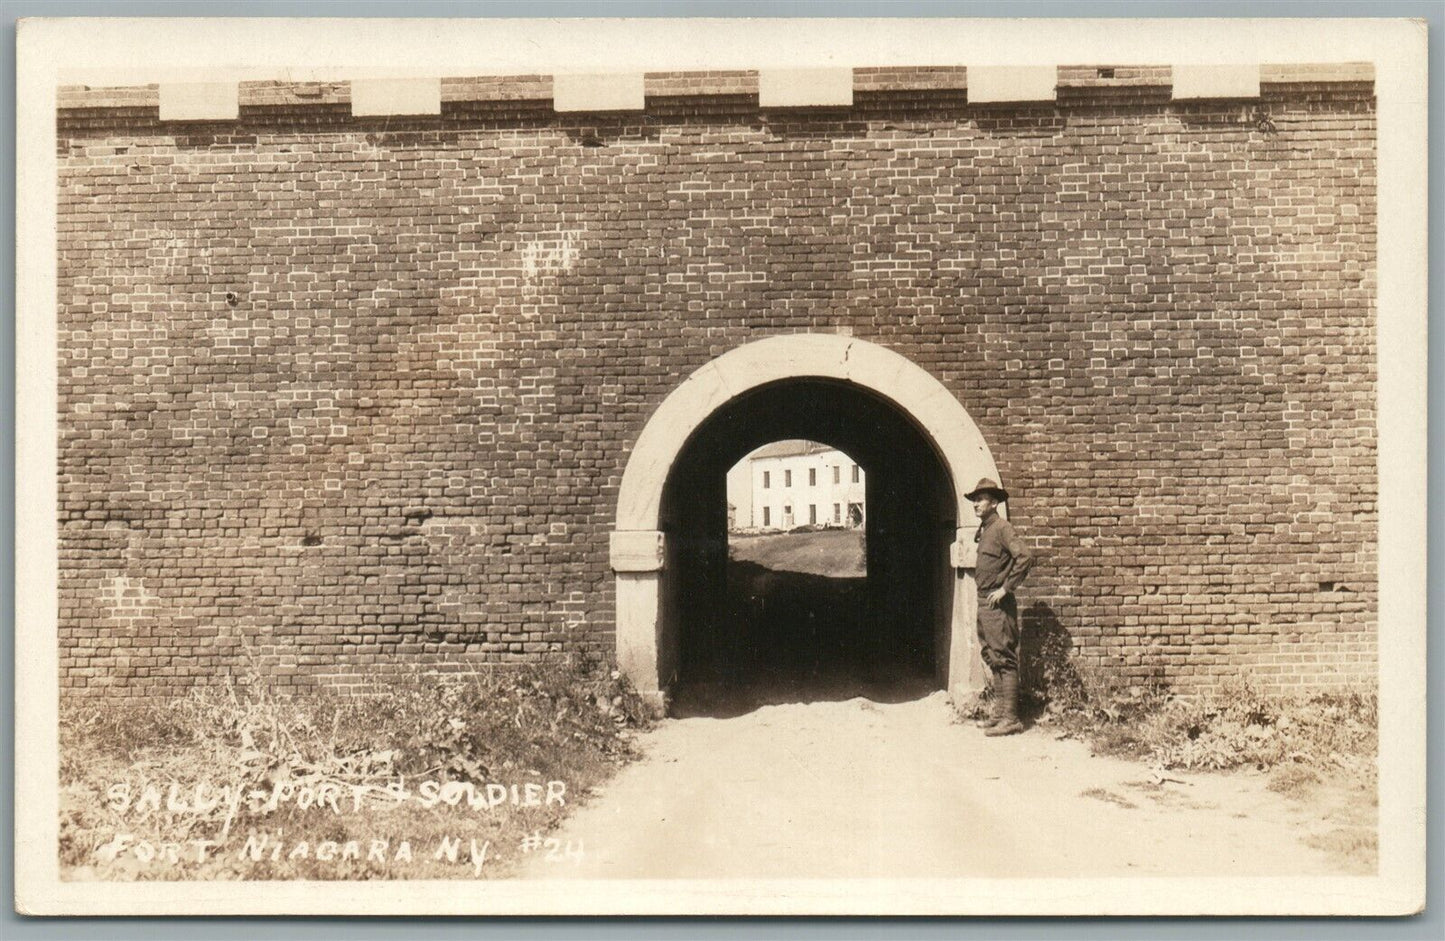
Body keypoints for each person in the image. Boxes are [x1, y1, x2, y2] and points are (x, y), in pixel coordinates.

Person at [966, 477, 1034, 737]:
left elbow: (1025, 557)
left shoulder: (1002, 528)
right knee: (992, 656)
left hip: (997, 604)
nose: (976, 504)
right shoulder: (985, 529)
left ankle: (1011, 718)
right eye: (974, 499)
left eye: (981, 499)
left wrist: (1005, 589)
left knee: (1004, 658)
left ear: (994, 503)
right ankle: (999, 713)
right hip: (984, 602)